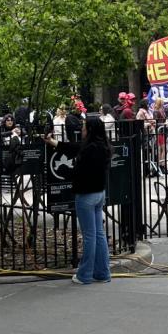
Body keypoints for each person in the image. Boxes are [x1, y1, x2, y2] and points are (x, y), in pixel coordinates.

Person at [70, 115, 112, 284]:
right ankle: (103, 272)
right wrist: (54, 143)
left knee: (89, 236)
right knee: (99, 234)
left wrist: (70, 171)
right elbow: (72, 147)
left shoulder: (88, 149)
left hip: (86, 194)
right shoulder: (103, 147)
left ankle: (85, 274)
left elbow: (79, 172)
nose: (82, 129)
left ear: (90, 130)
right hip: (99, 193)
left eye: (85, 127)